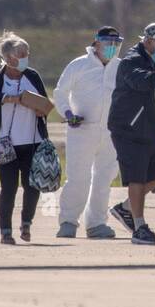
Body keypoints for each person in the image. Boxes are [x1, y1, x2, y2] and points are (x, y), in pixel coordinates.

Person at [108, 23, 155, 245]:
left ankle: (127, 207)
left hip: (149, 128)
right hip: (128, 129)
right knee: (136, 177)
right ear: (148, 41)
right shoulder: (131, 60)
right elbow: (139, 80)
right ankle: (139, 228)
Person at [53, 26, 124, 239]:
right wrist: (67, 113)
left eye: (116, 44)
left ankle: (96, 224)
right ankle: (68, 221)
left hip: (111, 132)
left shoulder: (120, 67)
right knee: (78, 177)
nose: (112, 48)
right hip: (81, 129)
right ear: (97, 43)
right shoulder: (79, 65)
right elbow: (60, 92)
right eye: (108, 43)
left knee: (104, 178)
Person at [0, 32, 52, 245]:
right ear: (9, 58)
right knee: (9, 187)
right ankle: (5, 231)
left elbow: (44, 102)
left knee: (32, 186)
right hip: (6, 144)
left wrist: (42, 110)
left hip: (33, 141)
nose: (25, 57)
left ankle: (26, 223)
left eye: (26, 53)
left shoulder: (32, 75)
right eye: (22, 54)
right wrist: (11, 98)